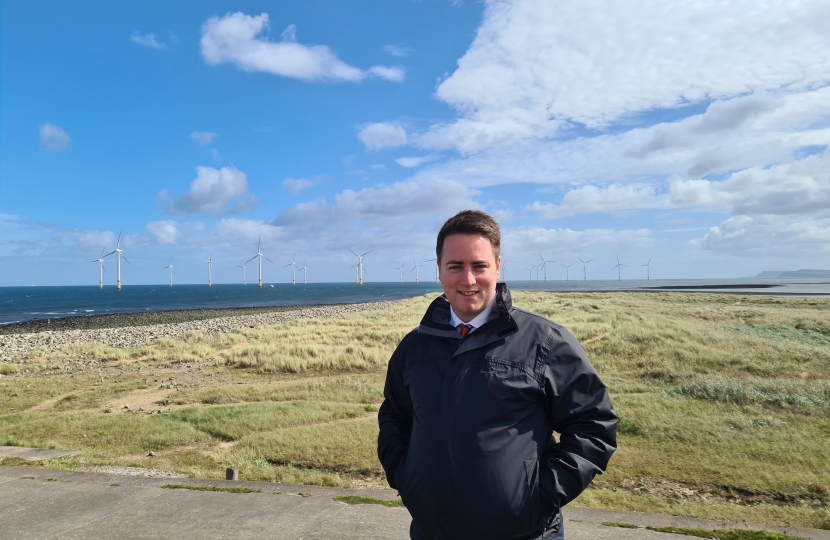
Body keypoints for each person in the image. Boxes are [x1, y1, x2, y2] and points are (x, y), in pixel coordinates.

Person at [377, 210, 617, 540]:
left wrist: (537, 497)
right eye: (455, 266)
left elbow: (594, 426)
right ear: (439, 270)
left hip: (523, 533)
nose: (468, 279)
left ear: (498, 267)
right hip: (431, 532)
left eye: (479, 266)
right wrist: (405, 477)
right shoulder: (414, 347)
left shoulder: (545, 342)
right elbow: (395, 415)